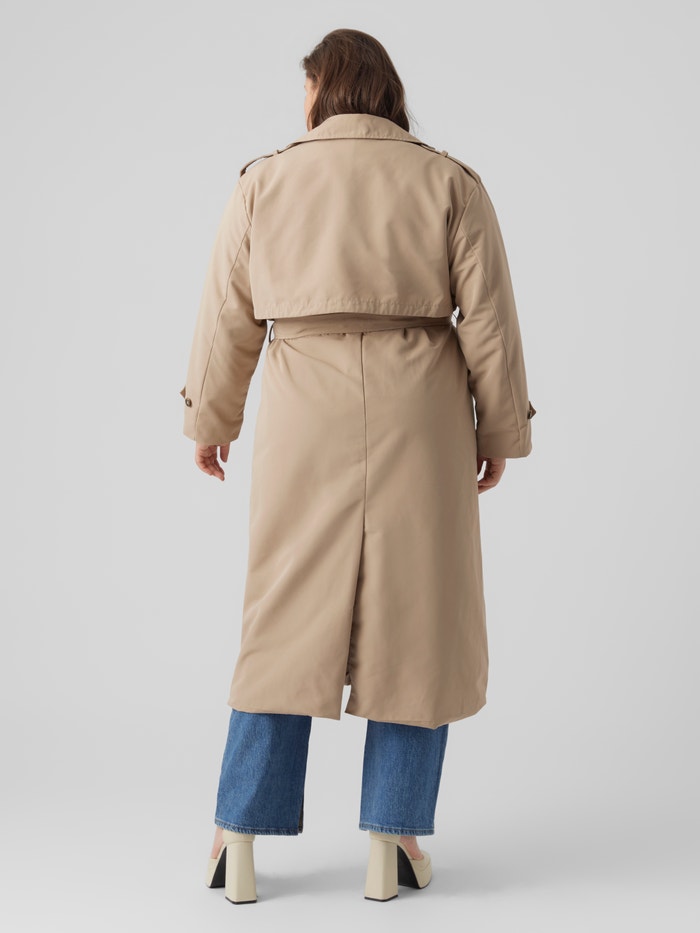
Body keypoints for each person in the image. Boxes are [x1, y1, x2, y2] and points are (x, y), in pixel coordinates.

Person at [180, 28, 536, 903]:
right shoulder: (448, 180)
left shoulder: (266, 180)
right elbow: (489, 320)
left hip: (303, 407)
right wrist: (498, 430)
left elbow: (228, 313)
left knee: (283, 611)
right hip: (422, 411)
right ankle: (393, 836)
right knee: (418, 621)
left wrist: (211, 417)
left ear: (323, 90)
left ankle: (238, 838)